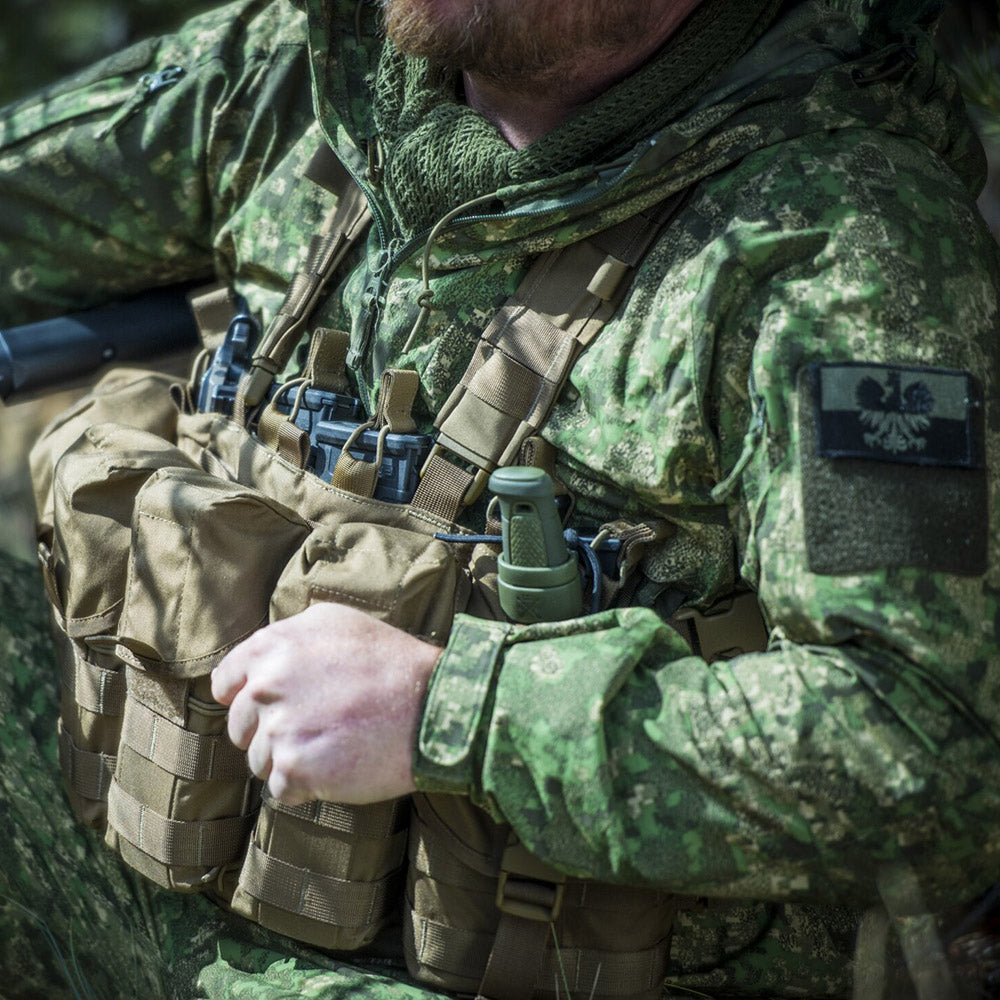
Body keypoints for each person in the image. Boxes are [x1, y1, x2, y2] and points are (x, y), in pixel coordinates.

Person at [1, 0, 999, 997]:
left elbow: (924, 751)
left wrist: (451, 712)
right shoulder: (303, 74)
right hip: (138, 844)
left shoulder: (841, 252)